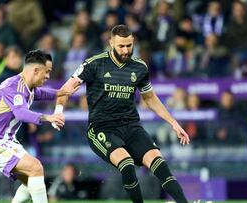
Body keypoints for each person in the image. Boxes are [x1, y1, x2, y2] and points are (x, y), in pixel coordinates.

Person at [54, 25, 190, 203]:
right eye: (121, 46)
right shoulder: (94, 64)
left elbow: (150, 99)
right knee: (126, 164)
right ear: (111, 43)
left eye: (129, 45)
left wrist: (173, 123)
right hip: (102, 128)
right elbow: (64, 90)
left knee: (159, 163)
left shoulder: (139, 67)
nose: (126, 50)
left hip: (131, 127)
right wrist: (58, 111)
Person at [0, 49, 79, 203]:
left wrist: (60, 92)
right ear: (36, 70)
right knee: (36, 167)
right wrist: (49, 117)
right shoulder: (14, 87)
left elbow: (40, 93)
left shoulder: (25, 86)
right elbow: (21, 114)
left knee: (32, 180)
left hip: (6, 141)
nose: (48, 76)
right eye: (47, 72)